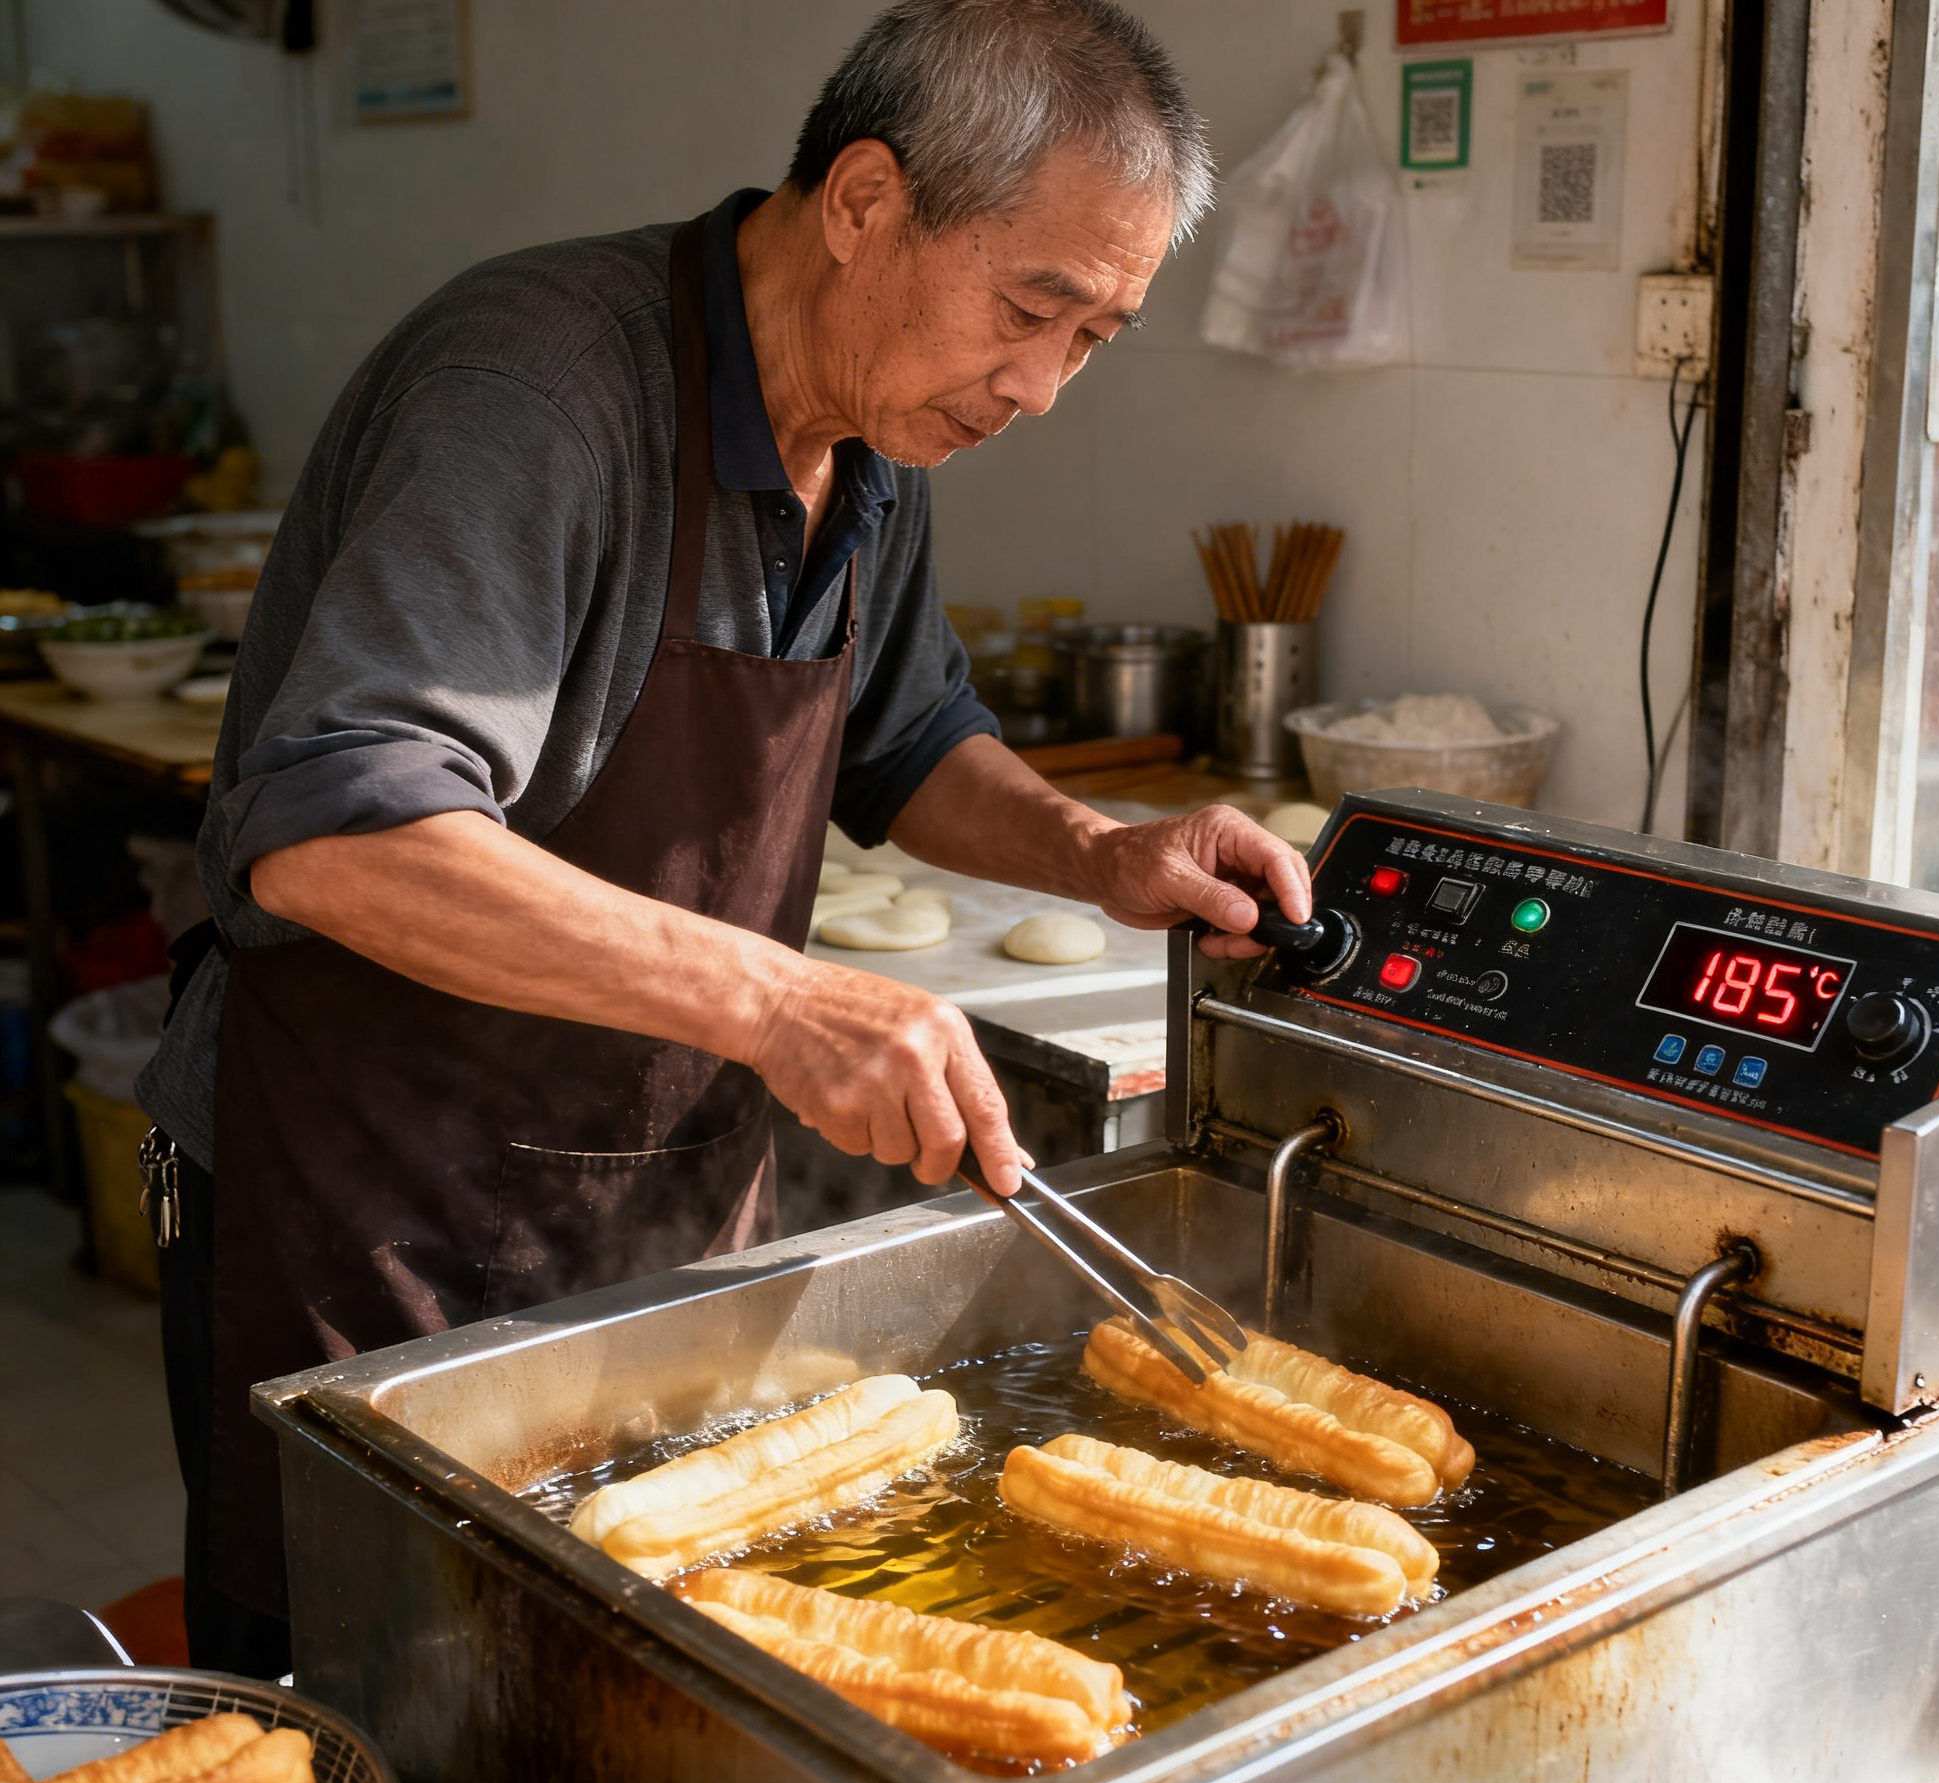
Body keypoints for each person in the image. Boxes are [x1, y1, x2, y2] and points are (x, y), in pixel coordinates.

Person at [138, 0, 1312, 1677]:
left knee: (614, 1707)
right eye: (1031, 310)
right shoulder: (536, 391)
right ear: (862, 205)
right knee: (377, 1713)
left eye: (1097, 336)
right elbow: (336, 829)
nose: (1043, 388)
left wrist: (1098, 853)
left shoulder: (875, 434)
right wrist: (776, 1004)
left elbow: (904, 743)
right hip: (366, 1209)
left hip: (646, 1207)